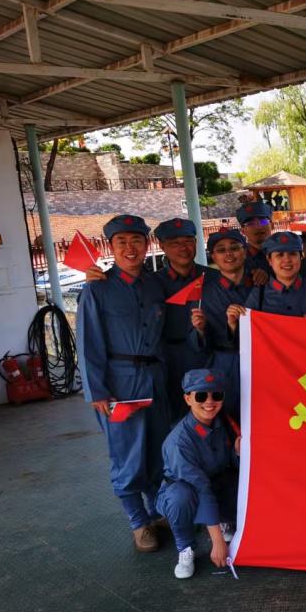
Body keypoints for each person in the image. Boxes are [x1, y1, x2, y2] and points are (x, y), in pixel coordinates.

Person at [76, 214, 171, 553]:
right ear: (110, 247)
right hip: (120, 384)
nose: (130, 249)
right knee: (127, 456)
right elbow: (88, 342)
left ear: (148, 245)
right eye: (122, 242)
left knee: (159, 452)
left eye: (136, 241)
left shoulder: (155, 284)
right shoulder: (97, 288)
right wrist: (97, 391)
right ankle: (138, 523)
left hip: (155, 379)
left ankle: (159, 514)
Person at [156, 369, 239, 580]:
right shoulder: (179, 441)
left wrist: (237, 453)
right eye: (201, 396)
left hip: (217, 483)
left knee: (242, 486)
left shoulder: (223, 422)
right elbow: (201, 487)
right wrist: (217, 541)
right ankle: (185, 547)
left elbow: (230, 464)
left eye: (216, 395)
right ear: (188, 399)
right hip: (189, 489)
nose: (209, 402)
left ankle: (224, 520)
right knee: (180, 498)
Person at [190, 228, 252, 420]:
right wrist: (200, 330)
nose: (229, 254)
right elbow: (199, 346)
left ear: (245, 251)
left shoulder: (261, 285)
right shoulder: (204, 294)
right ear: (213, 257)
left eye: (234, 248)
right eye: (221, 250)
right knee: (228, 416)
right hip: (224, 362)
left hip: (258, 360)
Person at [153, 218, 207, 418]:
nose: (183, 248)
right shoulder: (151, 282)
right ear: (162, 246)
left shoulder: (212, 277)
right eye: (175, 243)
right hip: (167, 361)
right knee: (172, 418)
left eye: (188, 241)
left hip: (206, 357)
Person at [241, 231, 306, 319]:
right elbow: (247, 326)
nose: (287, 260)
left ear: (301, 257)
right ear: (269, 260)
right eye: (280, 255)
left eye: (292, 254)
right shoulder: (258, 296)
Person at [235, 201, 273, 285]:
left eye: (263, 221)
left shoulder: (285, 252)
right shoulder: (237, 260)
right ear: (242, 231)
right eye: (251, 223)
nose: (258, 227)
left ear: (272, 225)